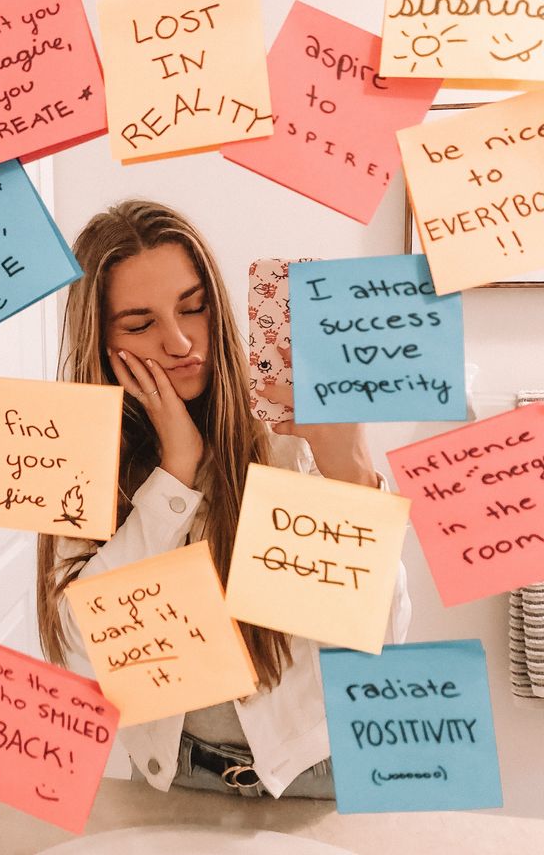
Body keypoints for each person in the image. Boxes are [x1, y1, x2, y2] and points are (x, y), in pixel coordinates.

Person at [37, 199, 411, 799]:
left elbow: (384, 638)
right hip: (172, 777)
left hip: (314, 773)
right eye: (140, 324)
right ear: (100, 340)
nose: (181, 340)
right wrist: (175, 476)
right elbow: (81, 650)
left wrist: (353, 474)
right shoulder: (77, 455)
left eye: (194, 307)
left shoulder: (289, 437)